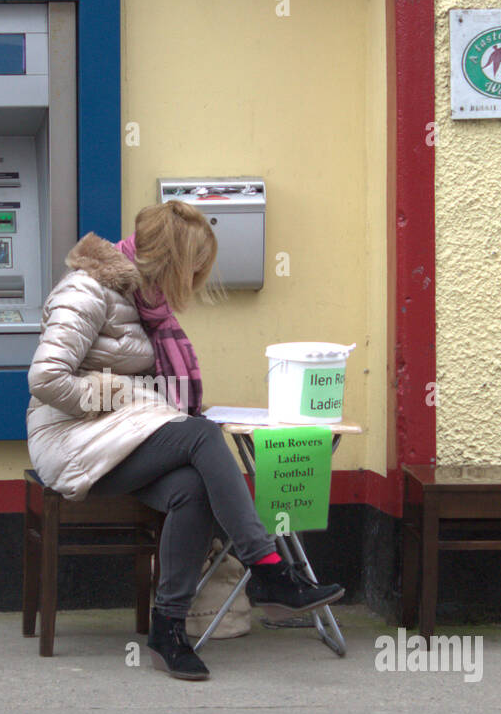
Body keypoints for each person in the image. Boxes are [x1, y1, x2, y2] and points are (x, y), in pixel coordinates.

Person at [26, 200, 344, 681]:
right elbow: (46, 378)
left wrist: (138, 401)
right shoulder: (87, 291)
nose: (196, 277)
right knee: (201, 435)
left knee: (192, 489)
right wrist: (116, 393)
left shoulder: (142, 302)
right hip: (70, 441)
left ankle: (168, 629)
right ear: (169, 259)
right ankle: (269, 569)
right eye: (193, 265)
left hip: (113, 437)